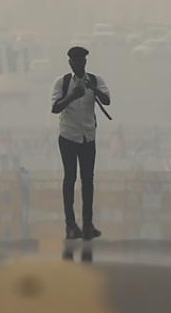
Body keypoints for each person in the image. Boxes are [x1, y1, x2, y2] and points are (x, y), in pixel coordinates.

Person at [51, 45, 112, 241]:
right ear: (70, 63)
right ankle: (70, 225)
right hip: (68, 137)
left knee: (88, 180)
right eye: (76, 61)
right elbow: (55, 107)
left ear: (86, 62)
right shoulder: (62, 82)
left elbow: (107, 100)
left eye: (83, 61)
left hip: (88, 137)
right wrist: (71, 96)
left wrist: (92, 89)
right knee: (70, 178)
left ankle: (87, 224)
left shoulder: (95, 80)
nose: (80, 64)